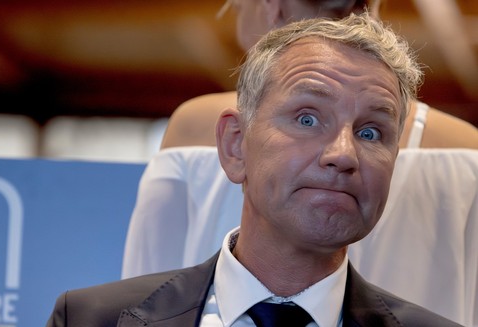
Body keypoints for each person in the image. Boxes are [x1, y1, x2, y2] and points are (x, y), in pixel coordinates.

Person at [46, 13, 461, 326]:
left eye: (371, 132)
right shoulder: (89, 318)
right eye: (307, 119)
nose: (343, 153)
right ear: (235, 145)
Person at [160, 0, 478, 150]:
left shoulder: (200, 128)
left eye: (240, 8)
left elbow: (160, 279)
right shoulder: (464, 148)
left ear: (272, 6)